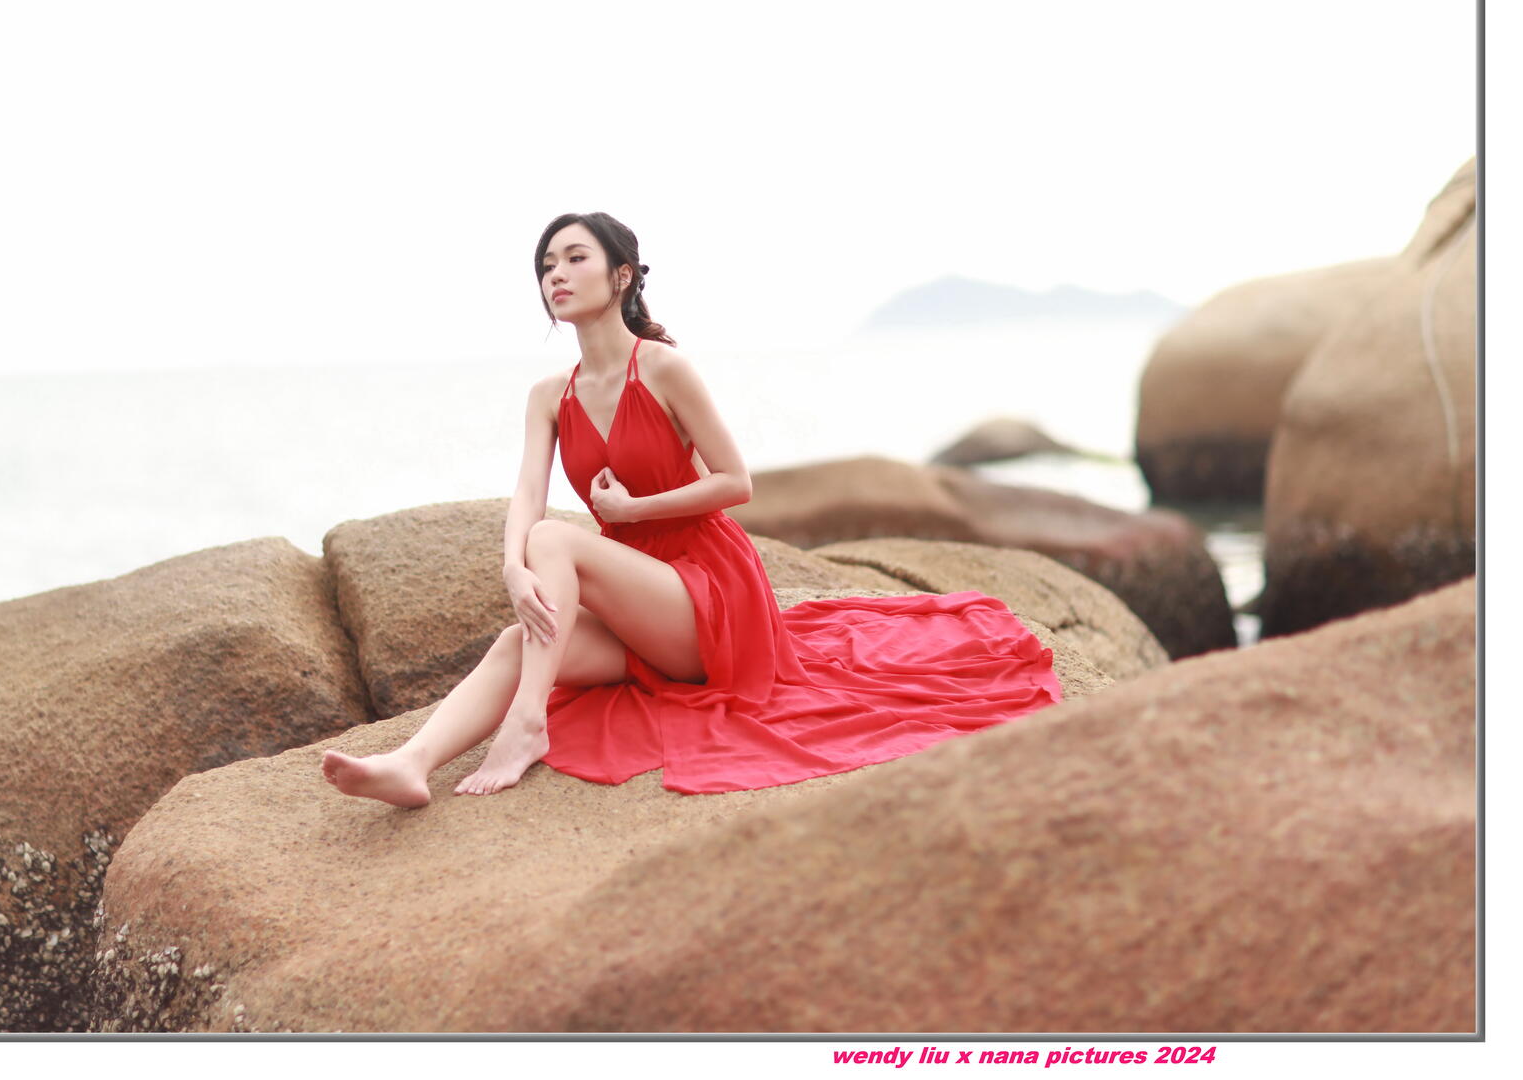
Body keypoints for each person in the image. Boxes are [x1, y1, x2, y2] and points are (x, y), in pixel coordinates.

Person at [321, 212, 1060, 807]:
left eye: (574, 258)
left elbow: (736, 482)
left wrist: (633, 509)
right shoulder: (549, 396)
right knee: (520, 639)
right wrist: (512, 569)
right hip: (642, 604)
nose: (556, 275)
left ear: (622, 274)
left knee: (555, 542)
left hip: (709, 596)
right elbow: (527, 493)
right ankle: (412, 762)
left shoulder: (664, 367)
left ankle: (527, 723)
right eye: (546, 265)